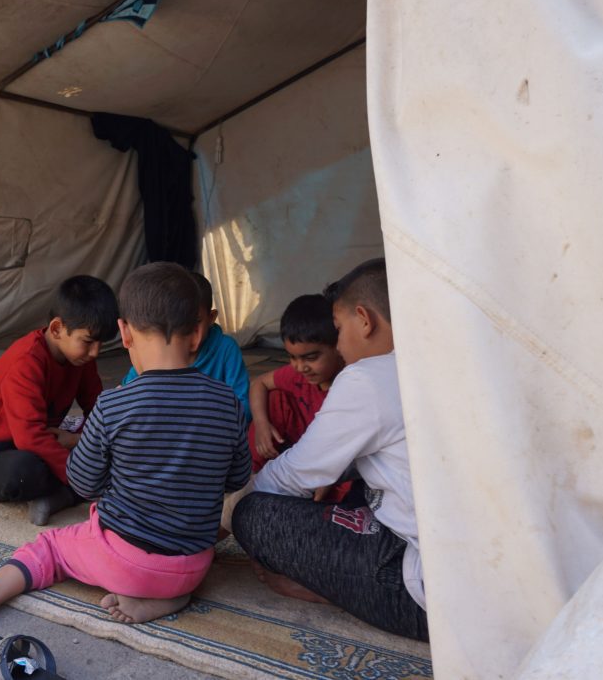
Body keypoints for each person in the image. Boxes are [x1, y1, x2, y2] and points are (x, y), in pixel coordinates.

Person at [0, 262, 252, 625]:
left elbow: (84, 483)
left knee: (50, 548)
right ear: (198, 333)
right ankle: (171, 596)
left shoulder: (114, 404)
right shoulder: (229, 403)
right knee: (166, 554)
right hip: (194, 567)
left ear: (124, 334)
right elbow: (237, 478)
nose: (94, 352)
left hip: (127, 565)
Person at [230, 258, 428, 641]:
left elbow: (295, 473)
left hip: (426, 592)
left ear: (364, 319)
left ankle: (331, 589)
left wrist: (231, 510)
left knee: (253, 514)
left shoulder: (369, 377)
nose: (338, 344)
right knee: (348, 482)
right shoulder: (453, 361)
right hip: (496, 574)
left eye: (338, 330)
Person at [0, 275, 118, 526]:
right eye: (88, 342)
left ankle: (62, 496)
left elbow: (99, 411)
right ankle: (73, 491)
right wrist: (82, 475)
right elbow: (29, 437)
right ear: (57, 329)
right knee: (22, 472)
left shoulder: (81, 359)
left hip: (45, 443)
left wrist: (81, 441)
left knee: (113, 449)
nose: (95, 352)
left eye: (100, 343)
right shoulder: (25, 361)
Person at [120, 271, 252, 428]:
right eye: (178, 323)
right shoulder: (156, 352)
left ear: (211, 318)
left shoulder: (226, 349)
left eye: (195, 322)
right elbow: (126, 394)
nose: (185, 331)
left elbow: (244, 406)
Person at [250, 293, 345, 467]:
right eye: (292, 357)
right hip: (301, 447)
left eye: (311, 358)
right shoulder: (297, 376)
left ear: (338, 345)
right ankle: (252, 473)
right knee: (274, 399)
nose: (300, 367)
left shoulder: (351, 384)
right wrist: (261, 424)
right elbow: (259, 383)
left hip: (333, 460)